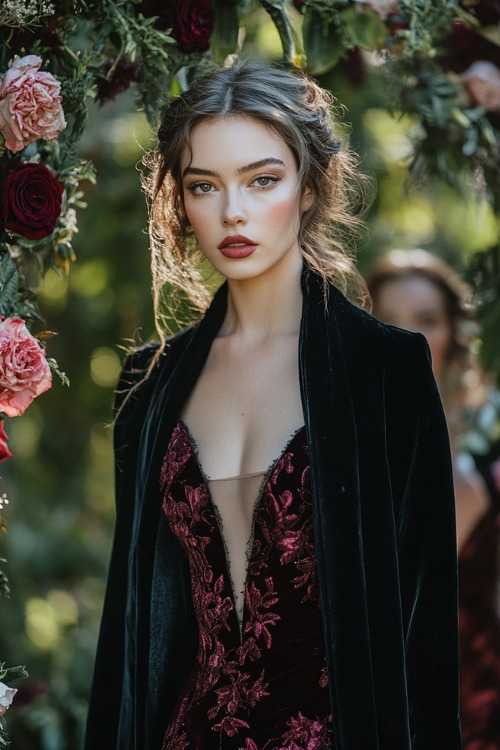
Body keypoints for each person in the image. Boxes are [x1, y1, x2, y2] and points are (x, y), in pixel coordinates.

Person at [84, 62, 461, 750]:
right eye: (205, 186)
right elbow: (132, 635)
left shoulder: (387, 372)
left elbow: (426, 636)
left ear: (310, 187)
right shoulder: (148, 385)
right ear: (180, 202)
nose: (233, 212)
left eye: (262, 180)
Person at [367, 248, 500, 750]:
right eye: (388, 321)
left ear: (454, 336)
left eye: (426, 321)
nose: (408, 340)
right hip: (380, 716)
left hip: (478, 712)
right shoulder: (325, 456)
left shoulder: (485, 460)